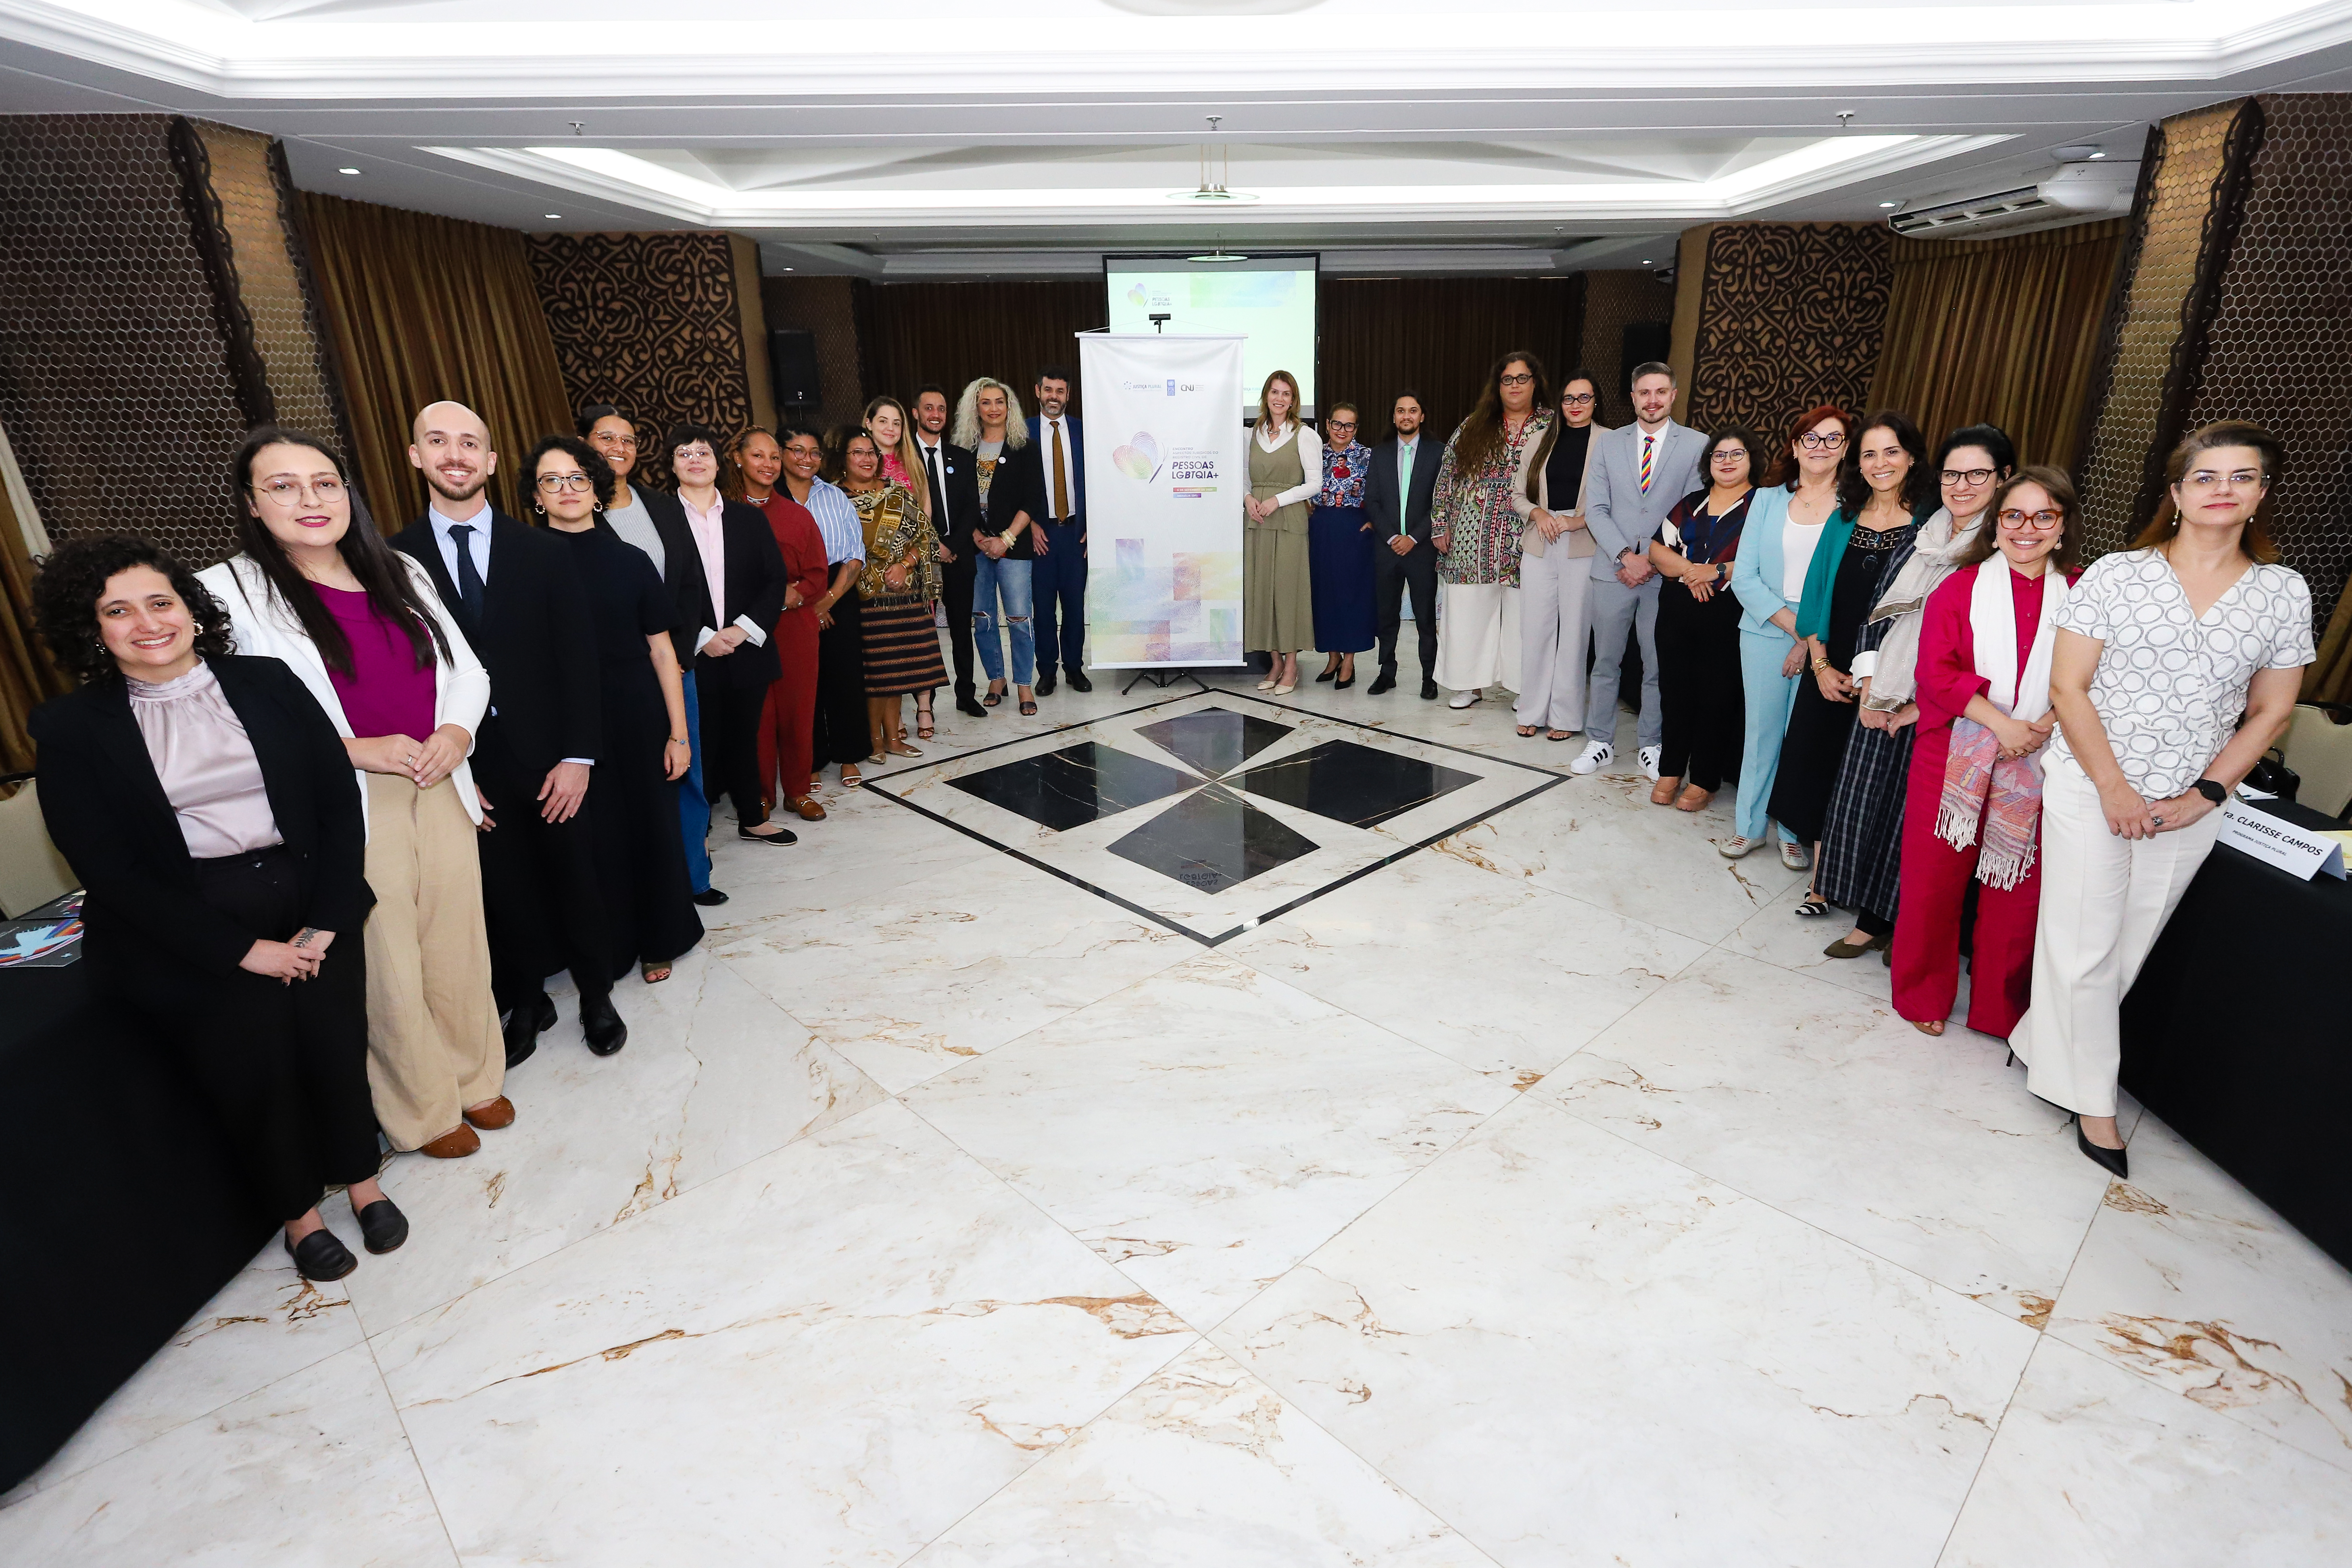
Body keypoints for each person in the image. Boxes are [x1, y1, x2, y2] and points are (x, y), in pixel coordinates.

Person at [32, 535, 399, 1281]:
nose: (147, 622)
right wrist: (240, 950)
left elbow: (335, 800)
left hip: (310, 900)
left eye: (160, 601)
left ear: (191, 609)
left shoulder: (267, 680)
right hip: (197, 927)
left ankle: (365, 1185)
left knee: (335, 1048)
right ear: (91, 628)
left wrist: (328, 916)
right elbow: (108, 867)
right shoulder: (70, 730)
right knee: (255, 1076)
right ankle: (299, 1217)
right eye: (118, 610)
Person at [197, 427, 508, 1159]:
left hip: (437, 778)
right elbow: (226, 720)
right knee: (388, 957)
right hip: (345, 803)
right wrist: (352, 750)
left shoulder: (398, 568)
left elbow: (468, 669)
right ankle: (422, 1112)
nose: (310, 498)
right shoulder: (223, 591)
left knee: (458, 940)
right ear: (251, 503)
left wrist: (457, 735)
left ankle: (475, 1077)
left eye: (325, 483)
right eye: (284, 485)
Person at [2014, 422, 2312, 1178]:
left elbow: (2272, 710)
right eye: (2206, 476)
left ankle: (2038, 1044)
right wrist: (2114, 787)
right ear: (2176, 493)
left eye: (2241, 477)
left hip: (2188, 804)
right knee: (2083, 943)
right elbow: (2066, 687)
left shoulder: (2281, 590)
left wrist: (2208, 792)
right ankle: (2094, 1102)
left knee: (2127, 946)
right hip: (2092, 786)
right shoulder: (2117, 574)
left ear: (2260, 494)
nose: (2223, 489)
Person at [392, 400, 626, 1063]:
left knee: (576, 878)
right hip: (467, 765)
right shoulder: (392, 561)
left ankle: (594, 993)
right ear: (416, 456)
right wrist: (452, 772)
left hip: (555, 757)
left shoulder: (545, 552)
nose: (455, 454)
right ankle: (526, 999)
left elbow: (578, 660)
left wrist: (580, 755)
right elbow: (403, 677)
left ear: (491, 461)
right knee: (504, 890)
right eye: (438, 442)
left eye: (470, 442)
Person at [1892, 467, 2082, 1043]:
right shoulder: (1960, 587)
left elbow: (2093, 678)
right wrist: (2003, 725)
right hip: (1953, 754)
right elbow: (1936, 674)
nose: (2028, 529)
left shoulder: (2081, 592)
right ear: (1995, 526)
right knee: (1933, 885)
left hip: (2041, 759)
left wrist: (2043, 726)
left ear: (2063, 525)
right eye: (2014, 516)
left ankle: (2000, 1010)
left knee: (2017, 895)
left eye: (2043, 516)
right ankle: (1922, 993)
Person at [1813, 425, 2016, 949]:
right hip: (1887, 690)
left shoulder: (2002, 551)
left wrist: (1926, 705)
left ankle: (1902, 925)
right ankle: (1870, 917)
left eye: (1978, 474)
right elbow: (1878, 612)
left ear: (2005, 478)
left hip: (1950, 705)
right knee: (1865, 802)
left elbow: (1989, 647)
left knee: (1918, 823)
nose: (1963, 485)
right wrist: (1869, 683)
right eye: (1953, 473)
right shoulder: (1922, 534)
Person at [525, 436, 703, 985]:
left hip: (637, 712)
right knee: (592, 839)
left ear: (597, 492)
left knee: (652, 827)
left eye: (579, 478)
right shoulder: (522, 566)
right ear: (536, 498)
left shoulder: (631, 560)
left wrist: (679, 732)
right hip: (564, 725)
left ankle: (661, 939)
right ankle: (609, 942)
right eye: (552, 480)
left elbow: (662, 648)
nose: (567, 490)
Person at [1771, 411, 1931, 945]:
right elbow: (1817, 593)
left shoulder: (1929, 525)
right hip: (1830, 666)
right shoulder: (1845, 517)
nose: (1879, 463)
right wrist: (1819, 665)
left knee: (1863, 780)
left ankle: (1857, 883)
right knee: (1817, 766)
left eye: (1891, 452)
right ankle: (1821, 881)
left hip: (1890, 676)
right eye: (1869, 453)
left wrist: (1877, 681)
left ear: (1911, 457)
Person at [582, 405, 724, 908]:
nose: (619, 448)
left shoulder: (663, 507)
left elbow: (688, 584)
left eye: (628, 440)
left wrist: (682, 650)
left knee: (687, 772)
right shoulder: (573, 515)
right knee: (633, 786)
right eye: (606, 438)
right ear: (585, 444)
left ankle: (694, 877)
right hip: (614, 675)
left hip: (673, 666)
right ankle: (649, 890)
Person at [663, 423, 794, 851]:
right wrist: (703, 637)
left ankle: (752, 818)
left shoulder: (748, 519)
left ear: (720, 463)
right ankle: (696, 826)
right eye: (685, 453)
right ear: (672, 465)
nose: (695, 460)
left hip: (746, 648)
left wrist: (741, 631)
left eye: (703, 452)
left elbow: (774, 580)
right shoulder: (661, 521)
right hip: (690, 653)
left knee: (745, 736)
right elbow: (657, 589)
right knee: (700, 741)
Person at [1727, 405, 1848, 862]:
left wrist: (1811, 640)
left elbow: (1847, 581)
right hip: (1765, 625)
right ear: (1796, 446)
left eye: (1832, 439)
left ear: (1845, 449)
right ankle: (1749, 826)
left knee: (1805, 738)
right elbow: (1745, 577)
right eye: (1811, 439)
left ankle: (1793, 830)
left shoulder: (1854, 506)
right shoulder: (1767, 498)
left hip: (1828, 631)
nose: (1820, 448)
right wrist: (1799, 632)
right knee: (1760, 731)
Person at [1573, 362, 1705, 778]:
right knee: (1605, 661)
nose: (1652, 400)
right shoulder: (1609, 444)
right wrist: (1624, 556)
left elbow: (1693, 510)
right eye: (1644, 393)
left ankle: (1652, 743)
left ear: (1673, 394)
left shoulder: (1698, 445)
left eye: (1660, 392)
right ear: (1632, 398)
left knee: (1657, 662)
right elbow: (1595, 508)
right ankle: (1600, 741)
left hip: (1665, 575)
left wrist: (1652, 558)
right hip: (1612, 569)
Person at [1646, 427, 1760, 809]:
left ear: (1752, 460)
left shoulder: (1761, 506)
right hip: (1678, 608)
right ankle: (1671, 768)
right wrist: (1694, 571)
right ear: (1708, 463)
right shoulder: (1691, 502)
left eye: (1736, 454)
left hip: (1728, 611)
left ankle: (1706, 778)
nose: (1726, 462)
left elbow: (1765, 559)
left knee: (1717, 697)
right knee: (1675, 692)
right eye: (1719, 455)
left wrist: (1719, 571)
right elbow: (1657, 548)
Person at [1432, 352, 1553, 709]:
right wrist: (1441, 522)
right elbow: (1447, 475)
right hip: (1472, 532)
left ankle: (1524, 688)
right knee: (1468, 611)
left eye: (1522, 378)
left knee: (1524, 613)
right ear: (1497, 386)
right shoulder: (1475, 424)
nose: (1514, 385)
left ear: (1535, 382)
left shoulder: (1552, 424)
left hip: (1529, 531)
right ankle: (1468, 684)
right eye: (1507, 379)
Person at [742, 426, 834, 821]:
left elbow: (818, 574)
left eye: (773, 458)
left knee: (799, 711)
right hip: (745, 629)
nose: (768, 464)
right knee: (758, 715)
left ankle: (797, 791)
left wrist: (793, 594)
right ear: (739, 459)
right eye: (758, 456)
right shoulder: (725, 514)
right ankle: (761, 794)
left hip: (795, 627)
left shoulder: (797, 517)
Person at [839, 429, 945, 757]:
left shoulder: (898, 494)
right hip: (864, 600)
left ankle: (894, 739)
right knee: (877, 677)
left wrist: (907, 565)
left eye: (871, 452)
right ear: (844, 459)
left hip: (906, 597)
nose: (867, 459)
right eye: (858, 452)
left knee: (900, 671)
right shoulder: (834, 497)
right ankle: (874, 742)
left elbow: (926, 537)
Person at [1514, 373, 1608, 741]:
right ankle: (1531, 710)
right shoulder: (1539, 440)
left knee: (1573, 633)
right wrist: (1539, 515)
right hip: (1540, 542)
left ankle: (1566, 717)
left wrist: (1576, 521)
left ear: (1595, 402)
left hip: (1584, 545)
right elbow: (1517, 494)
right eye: (1569, 399)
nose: (1576, 405)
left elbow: (1615, 502)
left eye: (1584, 398)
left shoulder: (1610, 442)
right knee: (1535, 629)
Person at [955, 375, 1037, 714]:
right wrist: (977, 538)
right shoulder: (964, 451)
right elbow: (959, 503)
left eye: (999, 402)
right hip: (976, 548)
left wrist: (1005, 540)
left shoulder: (1024, 448)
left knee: (1019, 618)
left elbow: (1033, 501)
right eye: (986, 402)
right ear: (976, 407)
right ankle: (996, 678)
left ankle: (1023, 685)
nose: (993, 408)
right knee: (983, 618)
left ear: (1009, 407)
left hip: (1014, 547)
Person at [1243, 369, 1322, 694]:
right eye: (1274, 392)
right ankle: (1274, 663)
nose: (1279, 398)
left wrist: (1278, 499)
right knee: (1262, 593)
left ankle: (1291, 666)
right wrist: (1247, 498)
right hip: (1257, 521)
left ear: (1294, 400)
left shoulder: (1305, 435)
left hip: (1288, 520)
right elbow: (1242, 480)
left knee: (1288, 594)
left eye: (1286, 394)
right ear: (1265, 396)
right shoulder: (1250, 434)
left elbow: (1316, 484)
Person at [1362, 389, 1442, 699]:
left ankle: (1429, 677)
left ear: (1422, 416)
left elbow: (1441, 502)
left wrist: (1414, 538)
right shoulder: (1379, 454)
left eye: (1412, 410)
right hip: (1387, 549)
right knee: (1387, 615)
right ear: (1394, 417)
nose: (1406, 416)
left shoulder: (1439, 453)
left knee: (1424, 617)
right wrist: (1394, 537)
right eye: (1400, 411)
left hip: (1421, 549)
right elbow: (1372, 500)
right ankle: (1387, 672)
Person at [913, 385, 986, 719]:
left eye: (941, 409)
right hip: (916, 560)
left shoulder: (962, 456)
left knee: (960, 629)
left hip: (958, 556)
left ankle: (966, 695)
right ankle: (922, 705)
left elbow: (972, 509)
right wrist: (932, 548)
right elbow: (905, 513)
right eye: (929, 408)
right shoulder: (902, 459)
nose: (935, 415)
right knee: (919, 633)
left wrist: (951, 546)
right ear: (916, 413)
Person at [807, 430, 873, 787]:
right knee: (806, 682)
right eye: (797, 451)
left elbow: (855, 554)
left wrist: (828, 600)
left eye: (814, 452)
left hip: (839, 589)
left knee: (845, 676)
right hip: (794, 594)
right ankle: (812, 758)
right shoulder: (772, 500)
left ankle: (849, 754)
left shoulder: (834, 496)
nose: (806, 458)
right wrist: (810, 603)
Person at [1028, 367, 1092, 695]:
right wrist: (1031, 524)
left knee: (1074, 606)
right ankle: (1047, 671)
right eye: (1048, 390)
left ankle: (1074, 668)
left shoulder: (1085, 432)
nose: (1054, 397)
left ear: (1069, 395)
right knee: (1042, 607)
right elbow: (1014, 488)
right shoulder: (1021, 433)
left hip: (1074, 533)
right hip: (1039, 534)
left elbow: (1096, 483)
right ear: (1038, 391)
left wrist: (1093, 526)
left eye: (1060, 391)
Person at [1308, 402, 1376, 687]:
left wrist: (1375, 522)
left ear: (1356, 429)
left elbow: (1383, 493)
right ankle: (1332, 656)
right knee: (1325, 593)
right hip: (1322, 528)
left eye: (1349, 425)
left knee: (1352, 595)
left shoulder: (1367, 456)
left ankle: (1349, 660)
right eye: (1337, 424)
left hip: (1354, 530)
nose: (1342, 430)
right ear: (1327, 425)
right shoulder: (1314, 454)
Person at [864, 395, 925, 496]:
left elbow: (926, 506)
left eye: (896, 424)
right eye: (883, 421)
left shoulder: (914, 462)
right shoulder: (860, 464)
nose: (891, 428)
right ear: (869, 424)